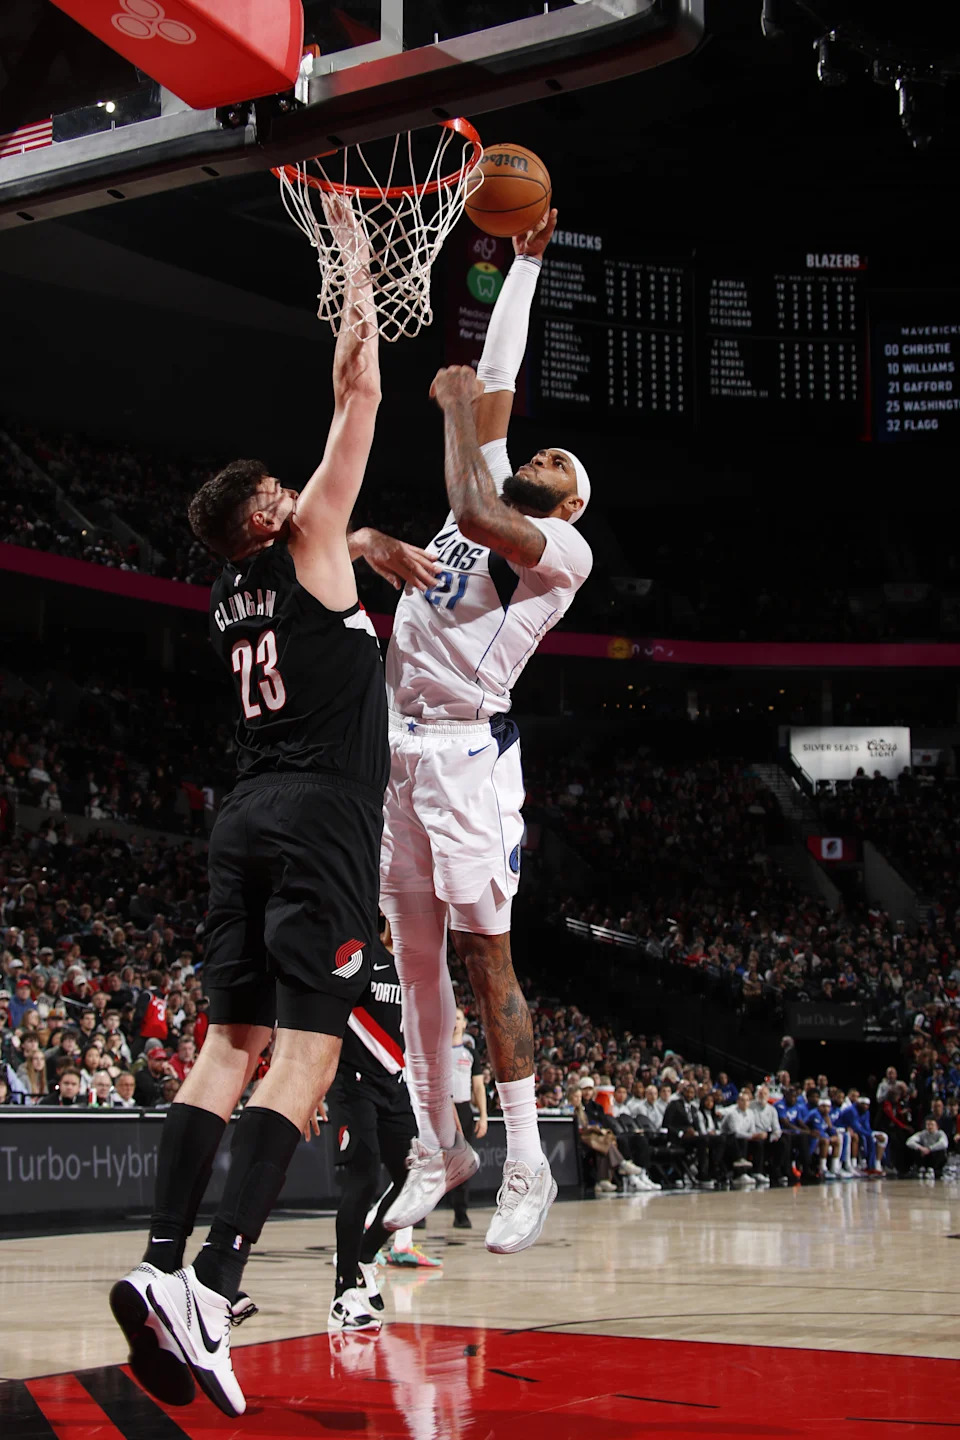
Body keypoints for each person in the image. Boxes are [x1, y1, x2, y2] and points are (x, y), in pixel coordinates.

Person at [108, 201, 428, 1421]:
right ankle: (215, 1287)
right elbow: (360, 390)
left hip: (240, 814)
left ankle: (158, 1258)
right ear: (269, 514)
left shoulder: (227, 594)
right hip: (318, 816)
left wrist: (369, 544)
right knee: (308, 1051)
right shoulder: (305, 541)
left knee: (221, 1050)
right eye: (292, 492)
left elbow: (331, 556)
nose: (309, 493)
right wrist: (355, 259)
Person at [379, 211, 592, 1254]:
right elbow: (499, 372)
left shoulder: (553, 549)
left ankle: (528, 1164)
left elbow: (473, 482)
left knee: (484, 961)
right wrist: (526, 265)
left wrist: (459, 411)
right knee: (413, 962)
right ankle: (439, 1146)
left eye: (555, 457)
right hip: (398, 749)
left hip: (468, 759)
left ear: (573, 502)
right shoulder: (492, 494)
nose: (538, 452)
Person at [325, 916, 424, 1332]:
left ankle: (364, 1256)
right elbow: (326, 1011)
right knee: (362, 1180)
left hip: (394, 1084)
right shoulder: (356, 951)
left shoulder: (416, 966)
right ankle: (343, 1292)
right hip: (353, 1083)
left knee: (414, 1181)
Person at [449, 1006, 488, 1229]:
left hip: (463, 1109)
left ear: (465, 1024)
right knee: (431, 1162)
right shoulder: (435, 1049)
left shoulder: (470, 1054)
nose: (455, 1022)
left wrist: (482, 1116)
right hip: (440, 1108)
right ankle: (419, 1215)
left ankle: (460, 1213)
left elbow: (479, 1088)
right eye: (451, 1018)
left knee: (462, 1163)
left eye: (459, 1018)